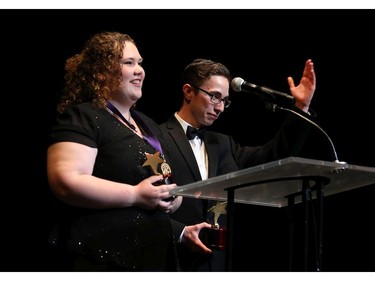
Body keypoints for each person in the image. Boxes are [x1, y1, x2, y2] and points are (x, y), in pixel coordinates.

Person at [159, 58, 316, 271]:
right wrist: (179, 232)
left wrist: (301, 108)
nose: (221, 107)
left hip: (216, 264)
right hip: (170, 260)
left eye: (225, 100)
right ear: (188, 91)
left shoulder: (223, 144)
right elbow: (141, 206)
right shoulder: (156, 137)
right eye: (215, 97)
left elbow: (273, 156)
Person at [46, 31, 184, 271]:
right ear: (101, 72)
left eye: (140, 63)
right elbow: (66, 181)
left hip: (153, 258)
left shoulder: (147, 124)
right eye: (128, 63)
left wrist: (174, 198)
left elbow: (164, 181)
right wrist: (135, 195)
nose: (140, 70)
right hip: (101, 258)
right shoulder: (84, 116)